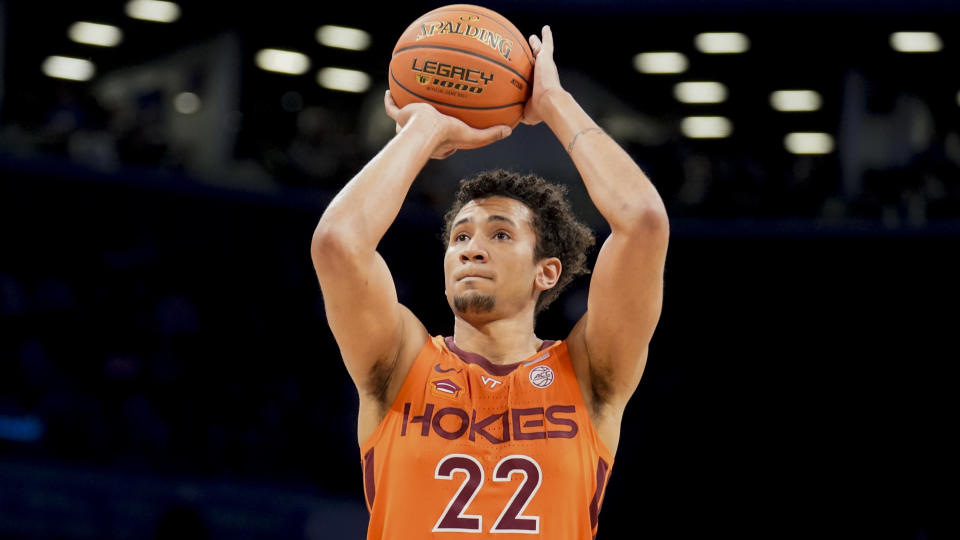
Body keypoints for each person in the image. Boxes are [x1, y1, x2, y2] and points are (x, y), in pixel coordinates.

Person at [311, 26, 668, 539]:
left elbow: (644, 222)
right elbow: (337, 244)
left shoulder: (590, 373)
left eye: (501, 235)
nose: (471, 248)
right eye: (459, 237)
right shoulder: (400, 361)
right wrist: (423, 130)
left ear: (547, 271)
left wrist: (553, 102)